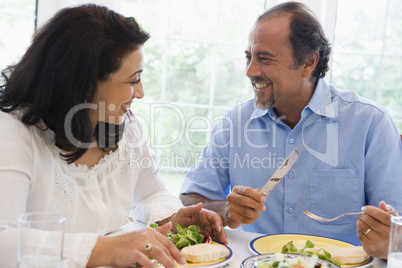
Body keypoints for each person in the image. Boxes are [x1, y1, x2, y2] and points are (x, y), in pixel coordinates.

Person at [0, 4, 227, 268]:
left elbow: (152, 194)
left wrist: (173, 218)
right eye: (133, 80)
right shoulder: (12, 132)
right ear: (85, 85)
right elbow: (4, 241)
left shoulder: (127, 127)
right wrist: (104, 250)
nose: (140, 92)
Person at [180, 1, 402, 260]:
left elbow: (396, 228)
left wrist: (390, 239)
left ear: (308, 62)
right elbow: (190, 198)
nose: (251, 71)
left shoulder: (370, 124)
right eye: (248, 57)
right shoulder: (234, 123)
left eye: (264, 58)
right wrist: (224, 210)